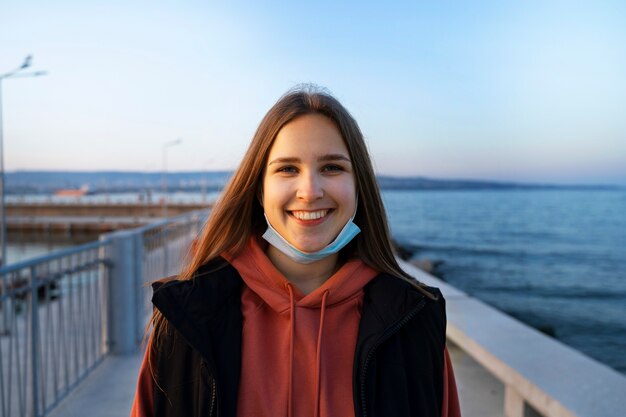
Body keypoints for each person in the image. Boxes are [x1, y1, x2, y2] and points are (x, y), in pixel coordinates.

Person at [131, 85, 461, 417]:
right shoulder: (185, 317)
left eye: (332, 167)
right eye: (287, 169)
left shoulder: (412, 320)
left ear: (359, 186)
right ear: (259, 189)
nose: (310, 191)